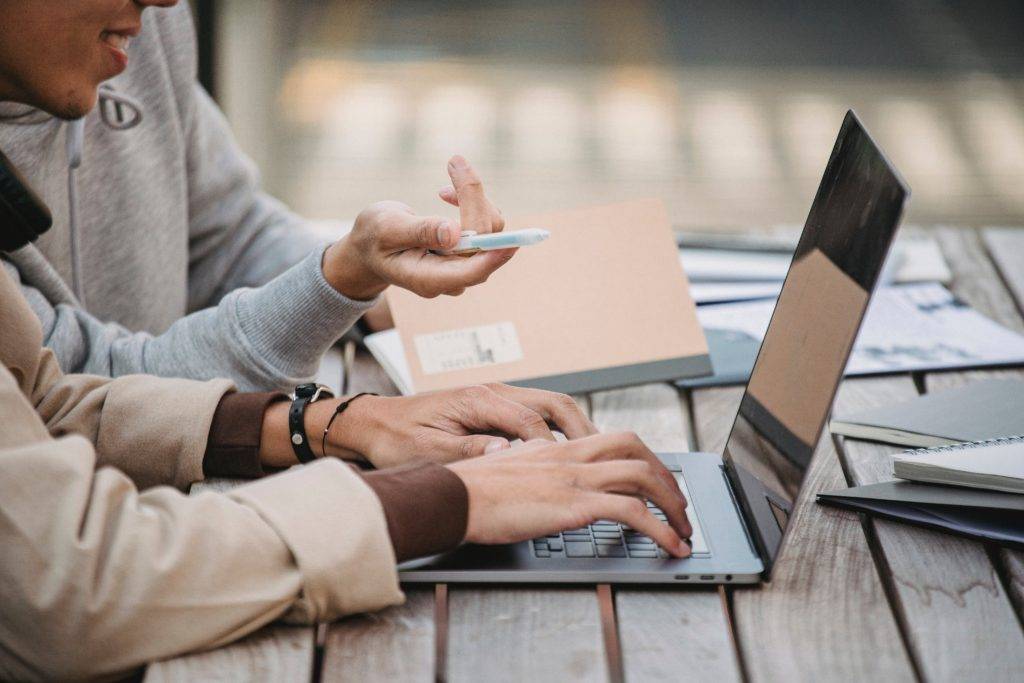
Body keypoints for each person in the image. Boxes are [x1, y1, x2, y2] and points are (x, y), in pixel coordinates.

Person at [0, 0, 510, 392]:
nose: (165, 2)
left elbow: (226, 235)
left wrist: (389, 278)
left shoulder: (139, 33)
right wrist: (340, 279)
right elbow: (79, 390)